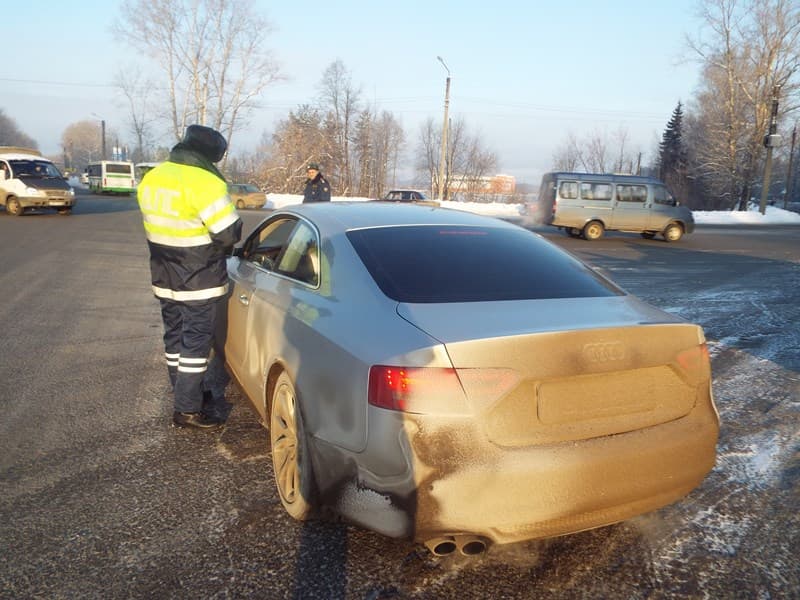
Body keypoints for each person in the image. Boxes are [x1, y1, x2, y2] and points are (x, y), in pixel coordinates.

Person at [137, 124, 242, 430]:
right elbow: (228, 233)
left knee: (173, 337)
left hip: (163, 273)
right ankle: (188, 409)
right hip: (198, 278)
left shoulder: (153, 177)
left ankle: (184, 391)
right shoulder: (204, 182)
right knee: (195, 345)